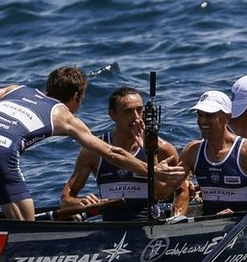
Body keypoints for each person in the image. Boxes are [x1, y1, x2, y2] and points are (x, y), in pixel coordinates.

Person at [0, 66, 183, 221]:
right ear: (77, 97)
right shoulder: (64, 116)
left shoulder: (17, 89)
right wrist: (152, 170)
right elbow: (112, 154)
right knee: (26, 228)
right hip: (0, 154)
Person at [60, 86, 182, 221]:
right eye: (128, 111)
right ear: (112, 114)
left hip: (150, 225)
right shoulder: (93, 151)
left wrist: (148, 151)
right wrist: (82, 202)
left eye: (140, 110)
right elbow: (66, 199)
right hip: (111, 227)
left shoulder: (164, 149)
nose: (136, 117)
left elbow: (165, 193)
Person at [177, 90, 247, 216]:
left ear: (227, 118)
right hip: (208, 226)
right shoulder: (192, 151)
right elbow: (163, 191)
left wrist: (234, 217)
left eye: (209, 116)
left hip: (243, 224)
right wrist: (157, 173)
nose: (202, 121)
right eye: (200, 115)